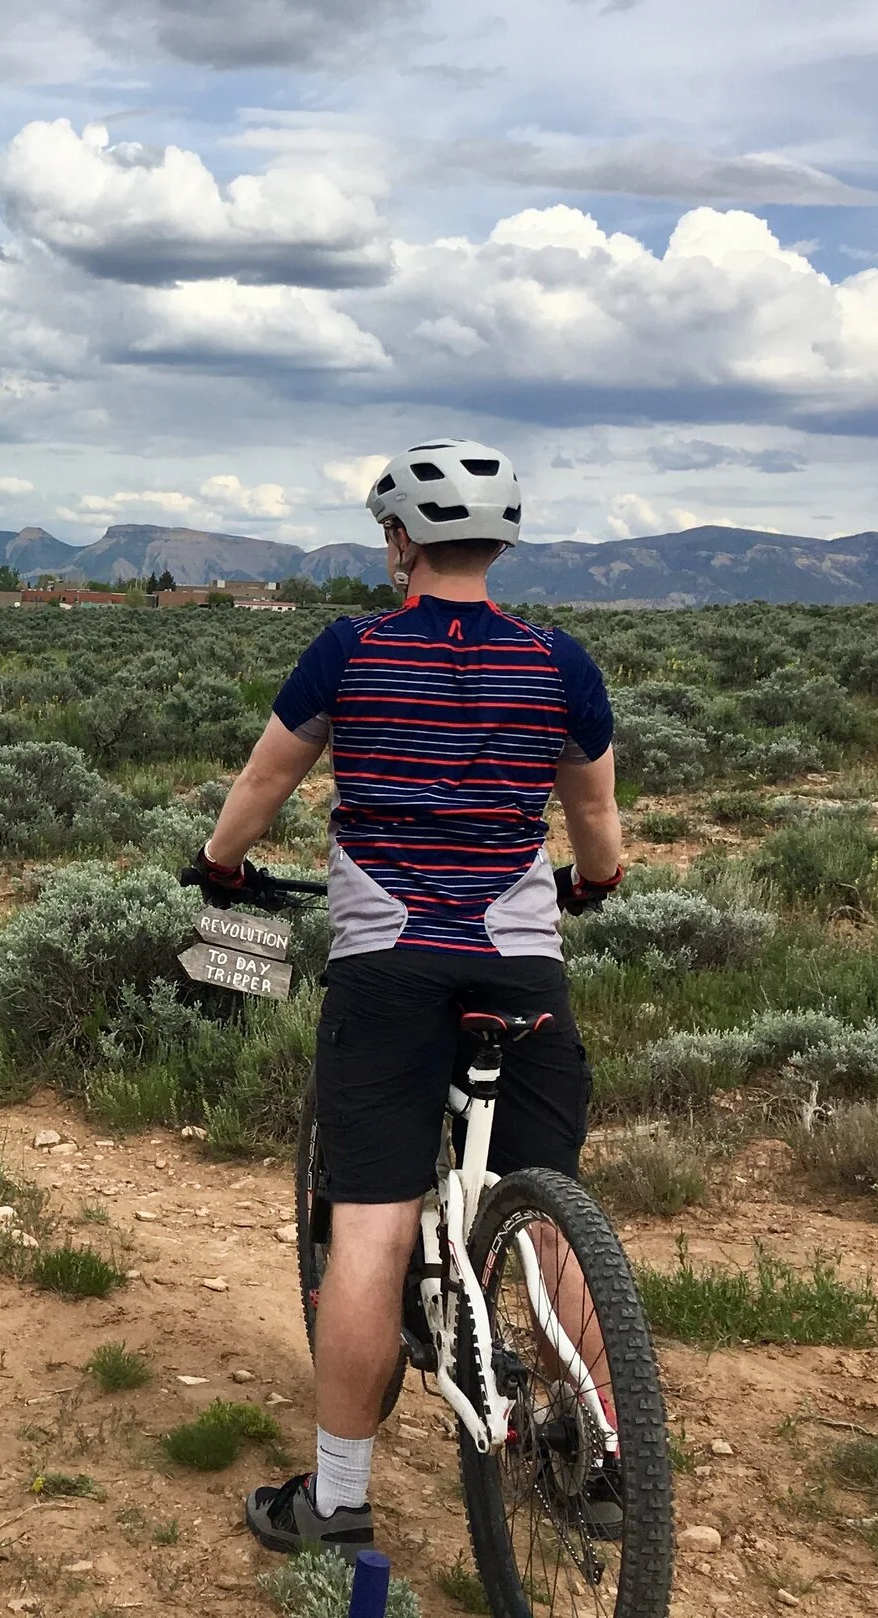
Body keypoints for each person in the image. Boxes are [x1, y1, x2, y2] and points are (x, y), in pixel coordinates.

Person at [179, 438, 624, 1555]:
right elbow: (599, 832)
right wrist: (587, 883)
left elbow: (262, 781)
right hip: (519, 962)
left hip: (388, 964)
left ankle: (336, 1499)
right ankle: (604, 1454)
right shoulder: (557, 662)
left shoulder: (351, 647)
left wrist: (221, 864)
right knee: (548, 1201)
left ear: (399, 542)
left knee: (369, 1224)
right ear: (498, 542)